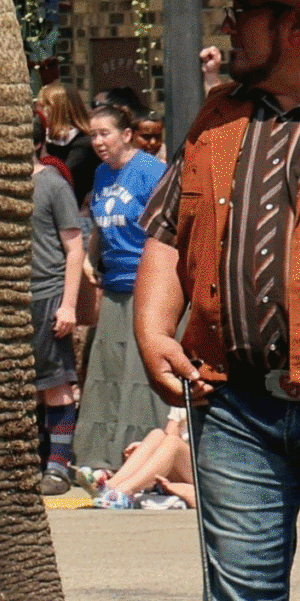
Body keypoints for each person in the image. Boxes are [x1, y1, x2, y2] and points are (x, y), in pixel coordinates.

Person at [130, 0, 300, 601]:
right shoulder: (216, 117)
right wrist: (153, 325)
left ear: (297, 23)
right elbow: (166, 227)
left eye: (246, 11)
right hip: (235, 396)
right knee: (240, 592)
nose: (229, 24)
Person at [78, 104, 170, 474]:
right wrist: (89, 257)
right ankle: (99, 459)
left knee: (138, 373)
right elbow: (101, 222)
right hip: (113, 286)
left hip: (146, 285)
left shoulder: (151, 171)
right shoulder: (101, 174)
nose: (98, 142)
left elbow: (169, 223)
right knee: (107, 373)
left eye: (105, 134)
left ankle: (145, 459)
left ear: (127, 135)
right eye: (93, 135)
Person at [29, 150, 91, 495]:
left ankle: (57, 465)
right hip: (17, 295)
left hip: (49, 293)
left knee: (57, 381)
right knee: (31, 384)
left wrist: (68, 304)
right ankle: (37, 460)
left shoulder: (53, 185)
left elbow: (75, 247)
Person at [93, 410, 194, 510]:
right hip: (187, 465)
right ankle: (110, 487)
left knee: (174, 443)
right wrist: (145, 448)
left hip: (203, 470)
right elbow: (170, 433)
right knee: (158, 435)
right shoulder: (183, 398)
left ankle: (124, 491)